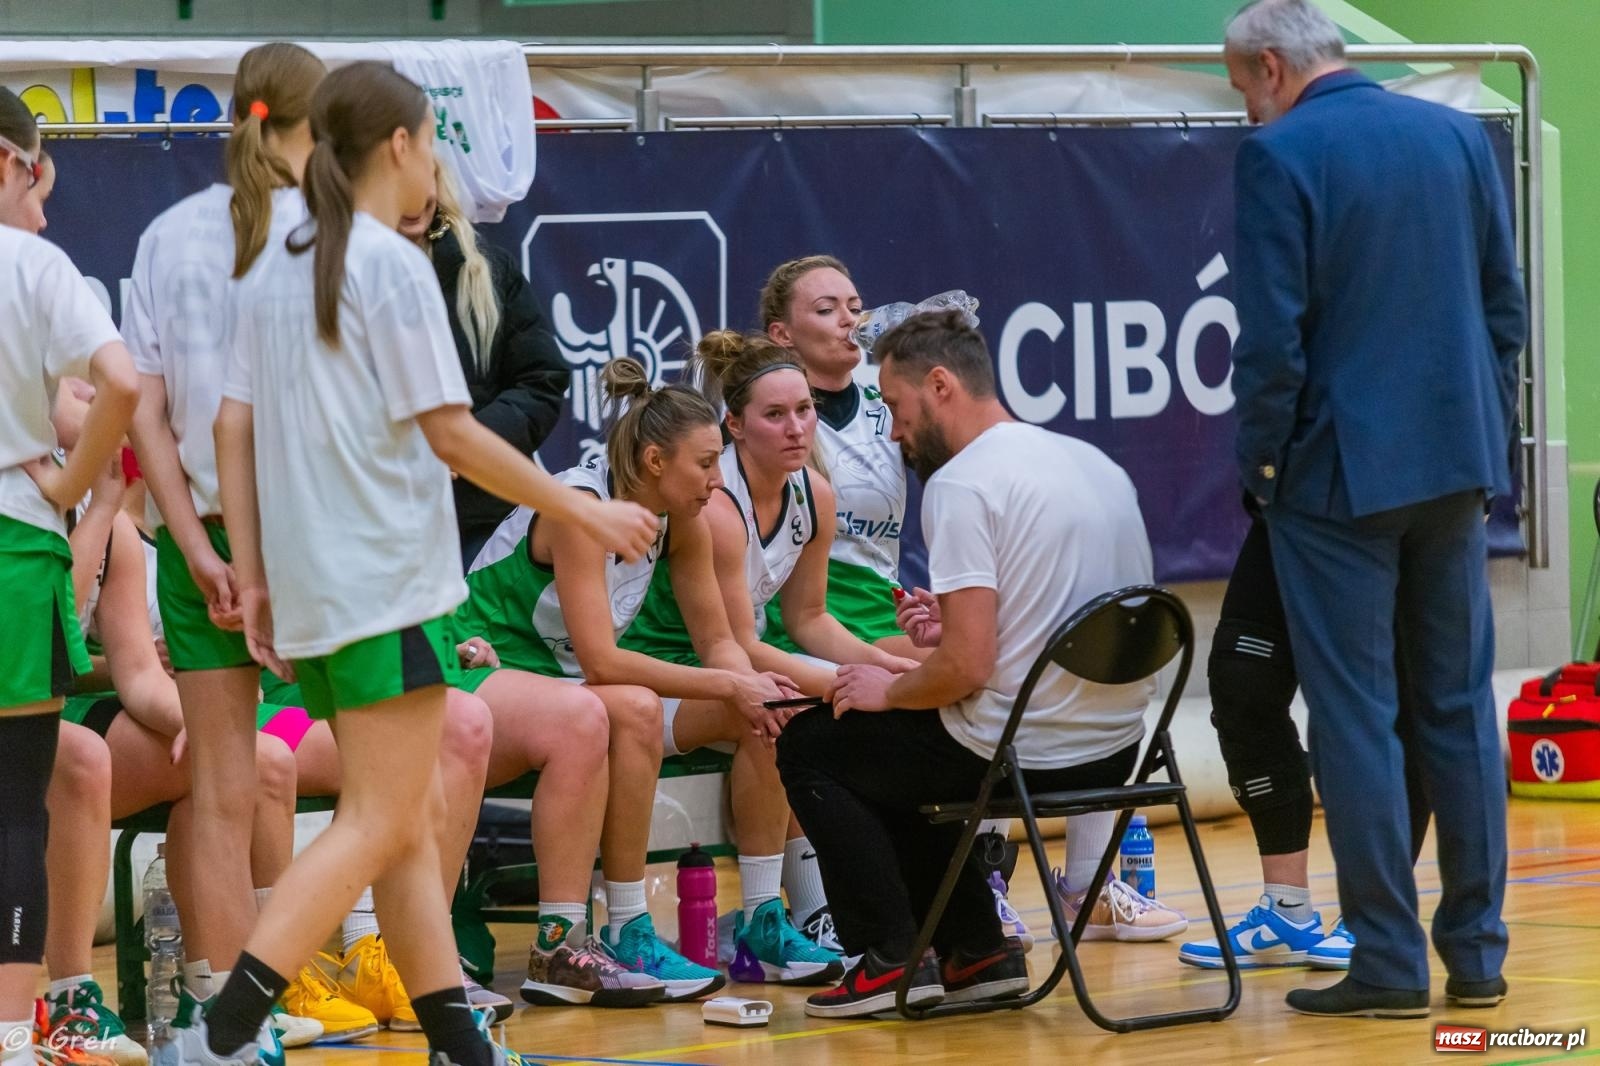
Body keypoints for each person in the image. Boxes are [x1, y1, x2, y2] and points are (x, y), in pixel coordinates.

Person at [165, 60, 656, 1066]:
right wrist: (579, 505)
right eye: (432, 141)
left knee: (413, 811)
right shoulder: (388, 265)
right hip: (382, 582)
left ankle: (459, 1044)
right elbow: (454, 437)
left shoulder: (274, 263)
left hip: (316, 585)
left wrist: (254, 576)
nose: (435, 162)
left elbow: (229, 428)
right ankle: (222, 1034)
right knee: (379, 820)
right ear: (399, 145)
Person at [1224, 0, 1524, 1018]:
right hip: (1455, 462)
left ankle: (1389, 965)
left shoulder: (1279, 154)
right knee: (1456, 706)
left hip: (1335, 477)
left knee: (1356, 715)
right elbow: (1503, 309)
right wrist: (1475, 431)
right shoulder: (1454, 134)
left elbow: (1272, 341)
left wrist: (1262, 465)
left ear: (1268, 66)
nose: (1245, 112)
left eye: (1240, 91)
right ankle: (1477, 958)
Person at [775, 309, 1156, 1018]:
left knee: (817, 744)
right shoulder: (1091, 463)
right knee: (906, 749)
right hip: (1115, 752)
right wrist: (946, 633)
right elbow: (1068, 618)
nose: (891, 432)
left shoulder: (963, 485)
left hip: (1021, 753)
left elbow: (965, 670)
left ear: (941, 385)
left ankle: (891, 956)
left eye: (894, 407)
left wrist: (889, 689)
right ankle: (978, 949)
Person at [458, 357, 839, 997]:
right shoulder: (582, 507)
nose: (719, 482)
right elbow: (604, 663)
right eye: (706, 463)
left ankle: (764, 920)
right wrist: (729, 684)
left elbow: (719, 640)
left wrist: (749, 686)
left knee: (771, 713)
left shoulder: (683, 517)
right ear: (657, 462)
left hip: (575, 689)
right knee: (633, 705)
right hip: (491, 673)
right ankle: (626, 923)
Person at [124, 45, 327, 1060]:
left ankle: (222, 1025)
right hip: (316, 541)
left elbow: (148, 417)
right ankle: (443, 1001)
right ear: (315, 124)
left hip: (197, 542)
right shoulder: (337, 232)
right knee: (397, 787)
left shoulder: (163, 235)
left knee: (219, 785)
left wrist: (199, 549)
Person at [0, 84, 140, 1066]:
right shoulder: (30, 265)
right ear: (7, 160)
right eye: (35, 171)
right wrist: (78, 497)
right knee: (13, 805)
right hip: (10, 553)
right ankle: (12, 1035)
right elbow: (126, 384)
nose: (40, 196)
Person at [397, 162, 570, 565]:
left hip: (483, 518)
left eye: (424, 175)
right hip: (382, 520)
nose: (413, 196)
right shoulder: (335, 278)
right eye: (396, 181)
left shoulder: (490, 269)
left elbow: (542, 380)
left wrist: (464, 443)